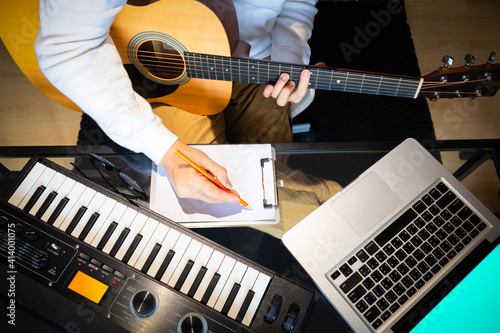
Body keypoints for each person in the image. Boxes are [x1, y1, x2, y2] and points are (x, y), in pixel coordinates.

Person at [34, 0, 319, 206]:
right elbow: (67, 46)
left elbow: (298, 4)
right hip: (164, 68)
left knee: (269, 181)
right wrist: (165, 150)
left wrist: (291, 57)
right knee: (221, 193)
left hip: (259, 63)